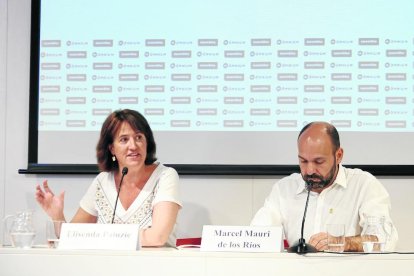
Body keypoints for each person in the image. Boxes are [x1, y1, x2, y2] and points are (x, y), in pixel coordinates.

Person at [35, 109, 182, 247]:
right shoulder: (103, 181)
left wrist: (102, 237)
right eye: (124, 139)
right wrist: (57, 214)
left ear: (146, 142)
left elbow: (157, 237)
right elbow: (72, 236)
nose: (133, 146)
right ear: (112, 148)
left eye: (138, 137)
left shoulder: (165, 176)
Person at [251, 121, 398, 252]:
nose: (309, 170)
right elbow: (257, 236)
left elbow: (385, 239)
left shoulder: (364, 185)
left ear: (339, 155)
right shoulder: (284, 189)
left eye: (319, 162)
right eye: (303, 161)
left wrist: (343, 243)